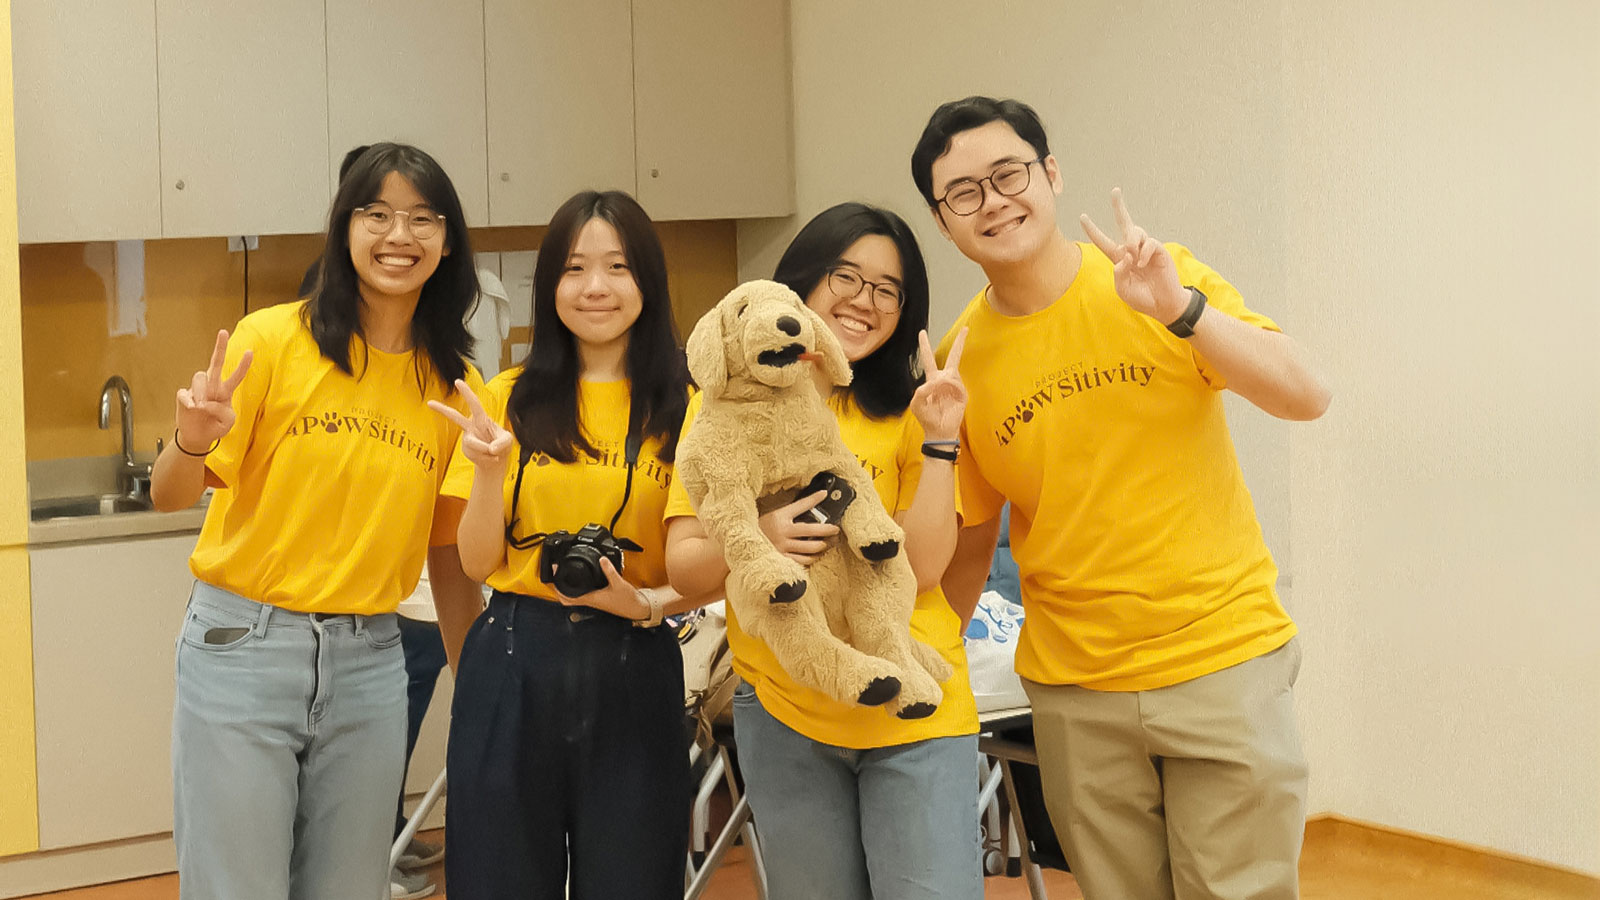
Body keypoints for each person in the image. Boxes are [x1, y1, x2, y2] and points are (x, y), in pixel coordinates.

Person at [913, 96, 1332, 900]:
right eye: (963, 193)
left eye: (1010, 174)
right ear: (944, 221)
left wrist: (1181, 311)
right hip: (1077, 692)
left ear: (1051, 173)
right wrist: (926, 675)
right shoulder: (965, 360)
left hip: (1221, 660)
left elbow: (1306, 395)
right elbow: (969, 548)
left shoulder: (1156, 279)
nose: (993, 200)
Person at [150, 142, 486, 900]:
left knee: (348, 889)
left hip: (370, 658)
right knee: (239, 887)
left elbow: (448, 557)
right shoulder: (272, 340)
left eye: (422, 219)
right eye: (377, 214)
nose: (399, 235)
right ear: (344, 228)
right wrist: (193, 437)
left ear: (447, 242)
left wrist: (475, 686)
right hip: (242, 647)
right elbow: (170, 495)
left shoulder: (452, 384)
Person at [663, 202, 983, 900]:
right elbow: (683, 564)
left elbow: (925, 566)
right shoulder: (718, 408)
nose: (864, 301)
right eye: (847, 276)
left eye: (888, 289)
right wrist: (759, 541)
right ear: (800, 285)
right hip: (785, 711)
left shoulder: (913, 407)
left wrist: (940, 440)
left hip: (913, 715)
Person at [429, 189, 702, 899]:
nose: (595, 288)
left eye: (617, 266)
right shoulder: (508, 396)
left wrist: (644, 603)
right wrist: (489, 473)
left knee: (635, 879)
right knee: (498, 880)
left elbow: (704, 565)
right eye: (575, 268)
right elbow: (476, 562)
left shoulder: (689, 407)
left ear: (648, 280)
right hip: (515, 654)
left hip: (635, 657)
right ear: (551, 284)